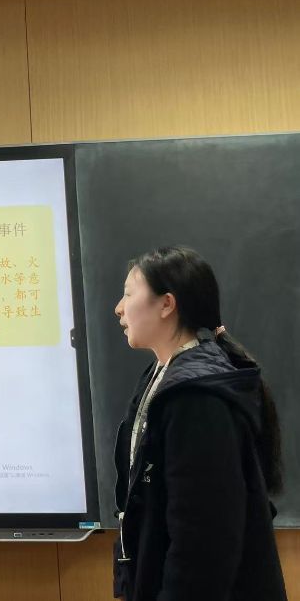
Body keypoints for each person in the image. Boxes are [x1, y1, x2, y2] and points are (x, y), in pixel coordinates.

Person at [111, 245, 287, 601]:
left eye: (128, 294)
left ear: (166, 304)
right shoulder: (161, 375)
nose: (118, 307)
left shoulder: (196, 398)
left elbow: (203, 539)